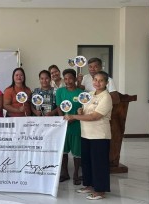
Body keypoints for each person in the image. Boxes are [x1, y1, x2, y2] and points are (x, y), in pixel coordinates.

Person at [64, 71, 113, 200]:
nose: (97, 82)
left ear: (106, 83)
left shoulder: (106, 97)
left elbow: (94, 116)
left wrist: (74, 116)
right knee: (87, 162)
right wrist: (80, 110)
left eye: (101, 80)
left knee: (99, 164)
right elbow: (85, 111)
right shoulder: (90, 95)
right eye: (95, 80)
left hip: (99, 136)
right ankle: (89, 185)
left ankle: (100, 190)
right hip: (86, 134)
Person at [56, 69, 84, 185]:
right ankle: (65, 173)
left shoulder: (81, 93)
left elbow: (84, 108)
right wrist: (63, 119)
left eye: (70, 78)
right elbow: (58, 107)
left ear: (75, 78)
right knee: (64, 151)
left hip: (77, 125)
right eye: (66, 79)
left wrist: (74, 117)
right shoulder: (60, 91)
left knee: (77, 152)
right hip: (64, 126)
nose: (68, 81)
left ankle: (76, 174)